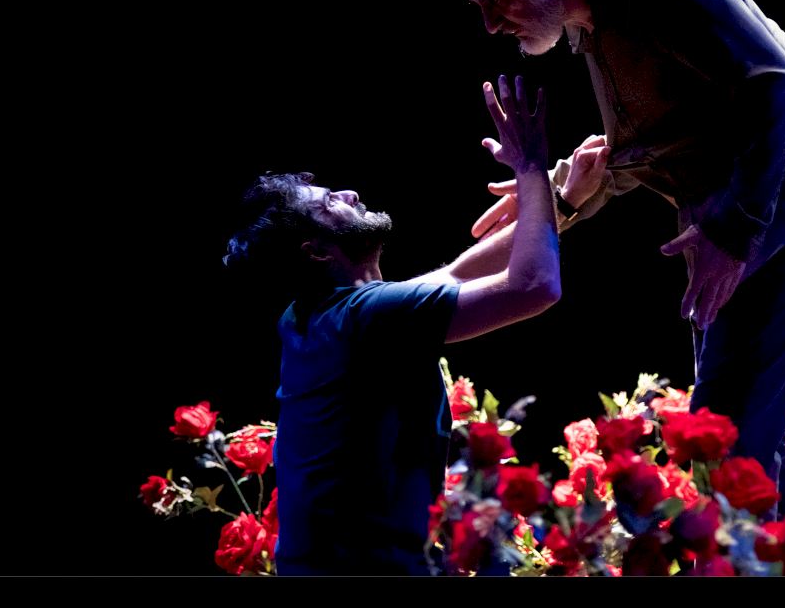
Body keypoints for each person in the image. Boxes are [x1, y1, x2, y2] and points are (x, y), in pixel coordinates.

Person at [453, 0, 785, 525]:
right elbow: (648, 146)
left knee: (723, 445)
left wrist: (734, 230)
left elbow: (776, 83)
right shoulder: (596, 23)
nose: (492, 25)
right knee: (746, 442)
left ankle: (737, 563)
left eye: (496, 0)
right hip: (738, 225)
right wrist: (555, 192)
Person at [222, 76, 607, 576]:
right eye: (329, 203)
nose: (350, 193)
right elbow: (535, 285)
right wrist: (531, 167)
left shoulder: (311, 317)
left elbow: (455, 274)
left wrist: (562, 201)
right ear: (315, 252)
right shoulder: (366, 316)